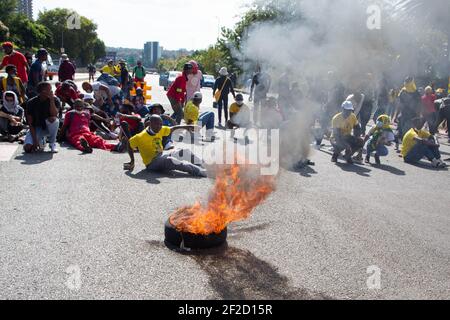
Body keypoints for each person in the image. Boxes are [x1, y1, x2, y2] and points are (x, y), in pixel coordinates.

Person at [122, 115, 207, 177]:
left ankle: (204, 165)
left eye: (160, 124)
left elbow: (173, 128)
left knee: (184, 151)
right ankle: (199, 171)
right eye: (157, 124)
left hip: (162, 155)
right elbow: (129, 144)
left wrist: (188, 126)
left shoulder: (160, 129)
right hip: (152, 163)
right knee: (172, 161)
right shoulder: (140, 137)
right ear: (149, 124)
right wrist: (132, 161)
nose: (159, 127)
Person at [24, 82, 61, 153]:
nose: (51, 91)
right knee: (28, 148)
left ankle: (52, 143)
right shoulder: (31, 102)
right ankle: (41, 140)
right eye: (49, 90)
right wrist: (35, 140)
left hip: (49, 128)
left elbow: (55, 114)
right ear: (42, 91)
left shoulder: (55, 99)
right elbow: (30, 123)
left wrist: (52, 100)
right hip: (36, 127)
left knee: (53, 119)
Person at [395, 77, 421, 141]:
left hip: (410, 116)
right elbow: (399, 105)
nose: (406, 83)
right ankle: (405, 147)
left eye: (407, 81)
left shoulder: (414, 92)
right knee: (404, 132)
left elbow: (418, 106)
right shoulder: (406, 91)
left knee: (406, 133)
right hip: (406, 115)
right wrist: (396, 115)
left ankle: (406, 147)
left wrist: (418, 116)